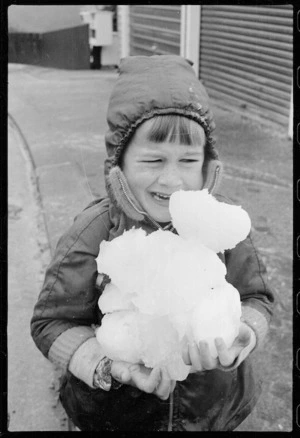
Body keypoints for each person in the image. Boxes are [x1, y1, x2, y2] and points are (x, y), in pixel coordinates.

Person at [31, 55, 274, 431]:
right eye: (154, 160)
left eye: (188, 159)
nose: (172, 179)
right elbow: (51, 322)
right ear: (120, 163)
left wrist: (244, 333)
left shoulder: (221, 228)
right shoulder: (94, 232)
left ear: (208, 166)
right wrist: (107, 364)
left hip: (214, 411)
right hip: (116, 414)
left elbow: (257, 297)